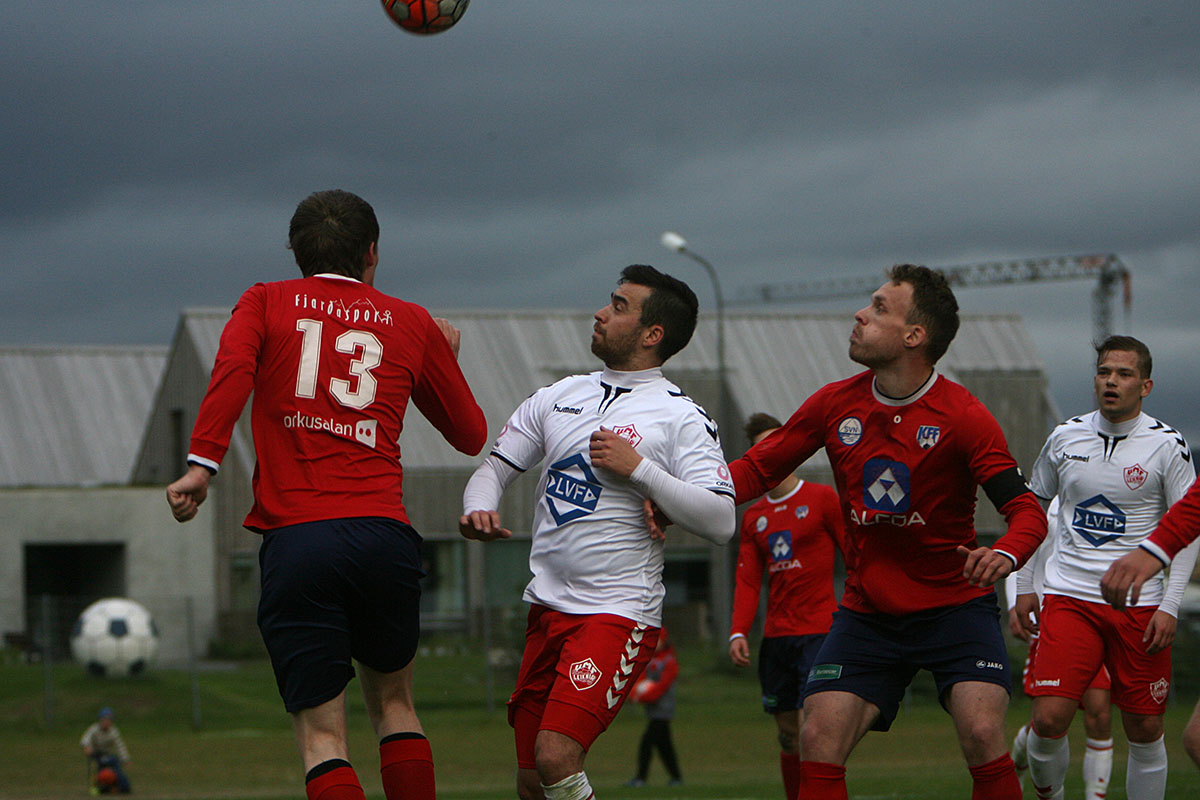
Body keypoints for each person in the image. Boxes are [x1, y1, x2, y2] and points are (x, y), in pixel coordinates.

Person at [166, 190, 487, 800]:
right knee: (395, 705)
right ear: (372, 252)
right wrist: (443, 357)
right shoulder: (412, 321)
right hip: (383, 537)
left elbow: (232, 374)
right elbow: (470, 435)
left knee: (322, 738)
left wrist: (202, 465)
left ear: (296, 252)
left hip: (299, 541)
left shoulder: (264, 301)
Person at [727, 264, 1048, 800]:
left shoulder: (964, 416)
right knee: (817, 735)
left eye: (878, 307)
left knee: (984, 731)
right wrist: (670, 501)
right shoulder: (834, 403)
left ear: (913, 336)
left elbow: (1027, 510)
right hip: (868, 613)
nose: (860, 314)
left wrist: (1008, 553)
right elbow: (753, 471)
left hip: (955, 608)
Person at [459, 264, 736, 800]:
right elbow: (493, 469)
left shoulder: (681, 416)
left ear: (653, 334)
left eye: (619, 306)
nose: (601, 313)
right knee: (531, 781)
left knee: (556, 756)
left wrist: (641, 470)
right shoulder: (560, 394)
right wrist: (480, 509)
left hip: (615, 612)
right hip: (546, 610)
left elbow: (722, 521)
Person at [1015, 335, 1198, 800]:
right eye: (1104, 372)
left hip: (1141, 605)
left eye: (1124, 374)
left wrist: (1171, 604)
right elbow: (1032, 507)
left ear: (1146, 385)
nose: (1111, 381)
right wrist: (1023, 584)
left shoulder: (1167, 445)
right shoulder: (1064, 437)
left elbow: (1188, 527)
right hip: (1069, 596)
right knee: (1048, 718)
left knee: (1144, 726)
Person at [729, 412, 844, 800]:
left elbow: (855, 555)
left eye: (779, 443)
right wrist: (738, 630)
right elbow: (747, 580)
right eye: (764, 446)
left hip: (819, 633)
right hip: (777, 638)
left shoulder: (822, 499)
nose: (773, 451)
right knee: (788, 733)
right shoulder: (754, 518)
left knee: (813, 728)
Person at [1006, 497, 1114, 800]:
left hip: (1097, 619)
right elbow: (1022, 545)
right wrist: (1016, 600)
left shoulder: (1108, 494)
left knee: (1100, 712)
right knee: (1051, 718)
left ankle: (1096, 796)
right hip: (1049, 619)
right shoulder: (1047, 500)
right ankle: (1018, 759)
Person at [625, 627, 683, 788]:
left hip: (663, 711)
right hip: (653, 711)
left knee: (647, 743)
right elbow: (640, 678)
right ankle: (676, 777)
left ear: (664, 641)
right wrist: (634, 693)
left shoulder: (669, 662)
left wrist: (642, 697)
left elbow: (661, 687)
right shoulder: (649, 659)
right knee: (664, 745)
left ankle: (640, 778)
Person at [81, 707, 132, 794]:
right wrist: (87, 747)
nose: (106, 722)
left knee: (115, 765)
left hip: (107, 755)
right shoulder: (94, 729)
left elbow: (120, 746)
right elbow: (85, 739)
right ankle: (100, 785)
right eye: (104, 720)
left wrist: (125, 759)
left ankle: (120, 786)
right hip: (96, 754)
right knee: (104, 767)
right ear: (100, 720)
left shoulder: (114, 732)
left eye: (109, 720)